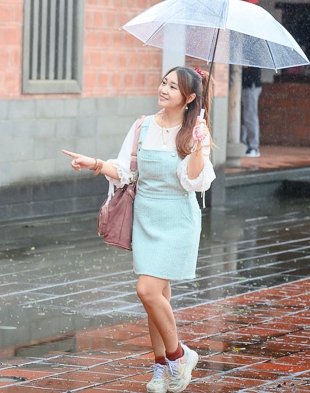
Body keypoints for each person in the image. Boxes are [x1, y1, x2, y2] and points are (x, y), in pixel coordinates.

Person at [62, 66, 215, 393]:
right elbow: (126, 170)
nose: (164, 89)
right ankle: (161, 369)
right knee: (156, 298)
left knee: (146, 290)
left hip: (178, 220)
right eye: (164, 82)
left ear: (188, 98)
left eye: (173, 87)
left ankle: (179, 355)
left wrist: (200, 147)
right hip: (146, 217)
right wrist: (94, 163)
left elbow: (196, 182)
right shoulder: (142, 125)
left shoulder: (193, 133)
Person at [240, 66, 261, 157]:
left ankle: (254, 147)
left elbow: (246, 65)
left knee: (249, 116)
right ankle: (243, 143)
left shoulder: (253, 52)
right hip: (244, 85)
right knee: (243, 117)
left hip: (251, 84)